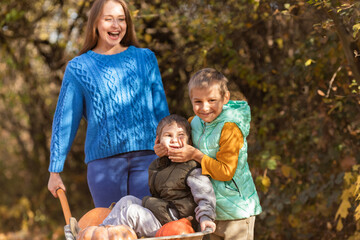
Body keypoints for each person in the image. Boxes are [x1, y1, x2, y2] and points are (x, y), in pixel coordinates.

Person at [47, 0, 169, 208]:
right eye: (108, 19)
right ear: (95, 22)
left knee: (150, 232)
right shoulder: (79, 68)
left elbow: (162, 112)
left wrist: (171, 152)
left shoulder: (145, 58)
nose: (116, 25)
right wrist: (54, 170)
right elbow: (65, 121)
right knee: (110, 233)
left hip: (148, 161)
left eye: (121, 19)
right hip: (104, 167)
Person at [155, 68, 262, 240]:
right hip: (208, 213)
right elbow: (182, 153)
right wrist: (164, 150)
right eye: (198, 101)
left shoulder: (230, 128)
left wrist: (196, 155)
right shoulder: (193, 123)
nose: (205, 107)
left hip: (236, 213)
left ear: (225, 98)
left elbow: (226, 171)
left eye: (212, 100)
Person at [99, 114, 216, 238]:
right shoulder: (157, 166)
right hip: (160, 215)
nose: (174, 140)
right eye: (168, 135)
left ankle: (108, 237)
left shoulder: (191, 167)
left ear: (189, 141)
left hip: (175, 226)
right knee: (127, 200)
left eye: (181, 136)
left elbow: (205, 195)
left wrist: (206, 217)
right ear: (158, 140)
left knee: (131, 212)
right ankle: (99, 231)